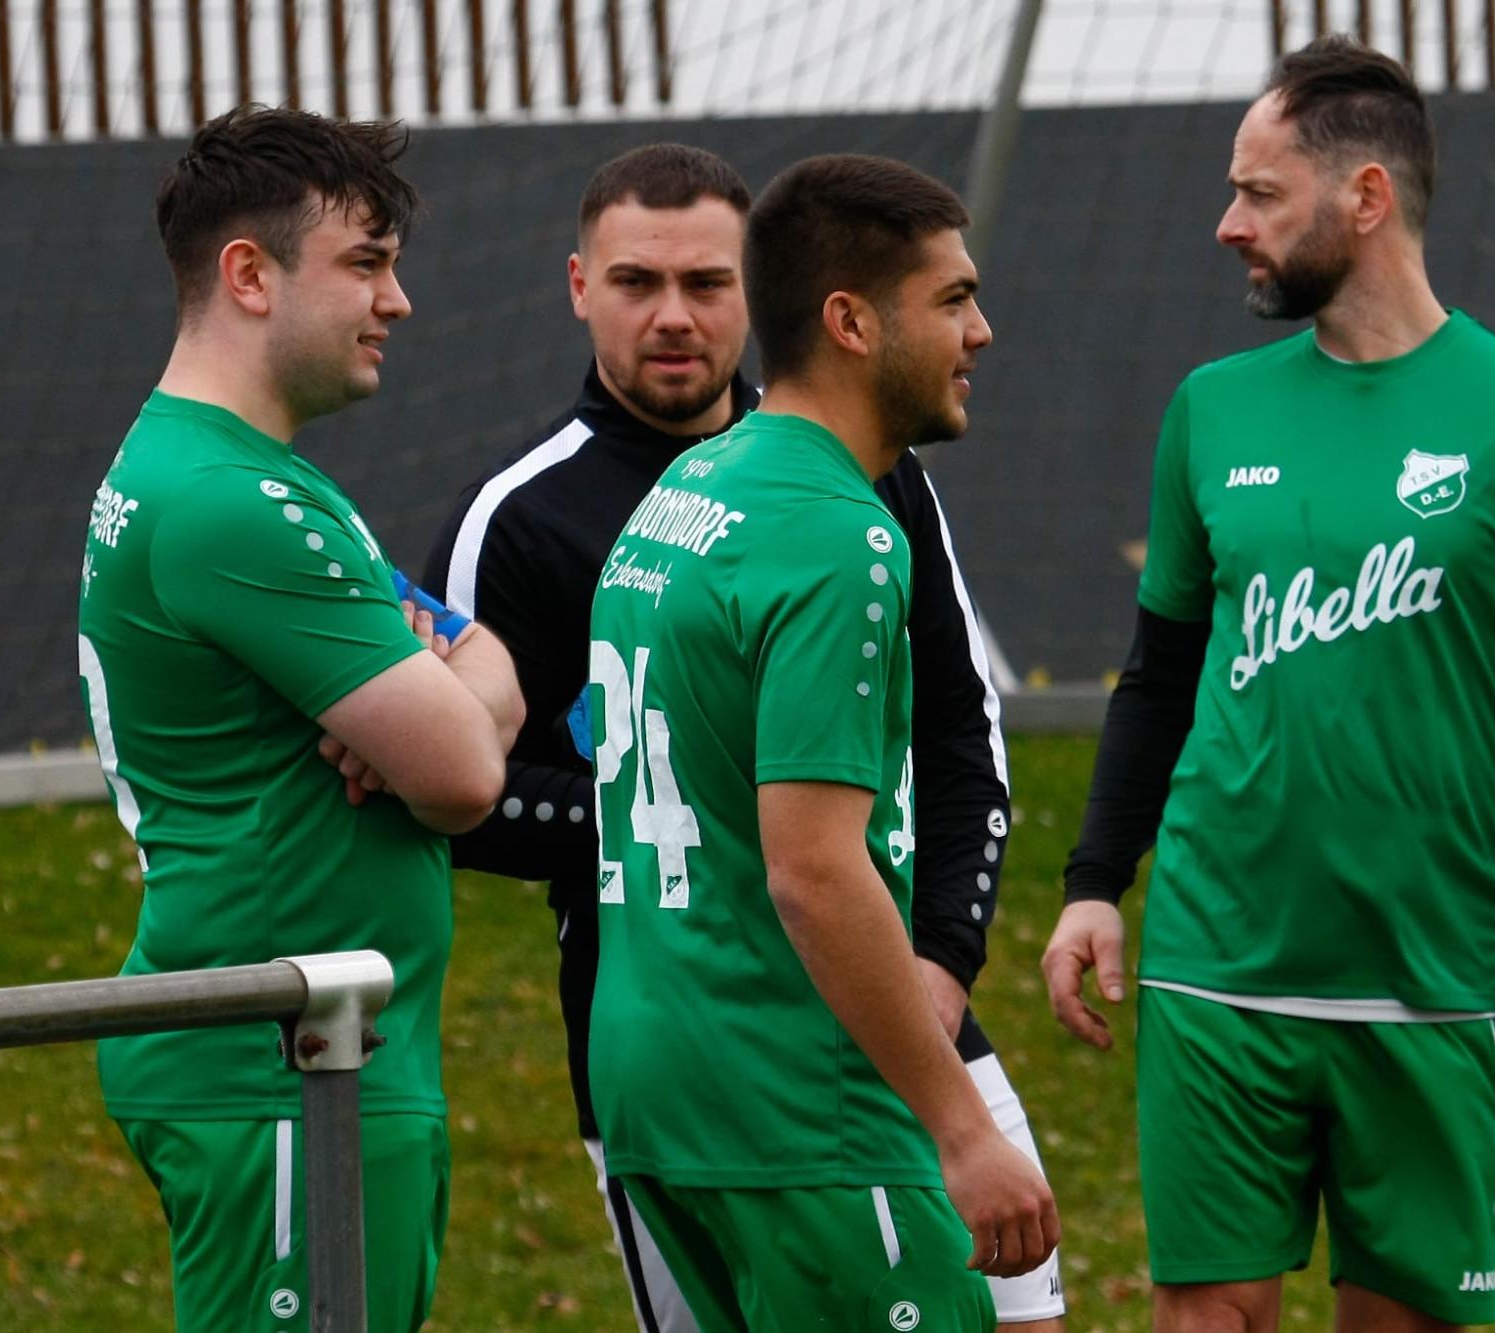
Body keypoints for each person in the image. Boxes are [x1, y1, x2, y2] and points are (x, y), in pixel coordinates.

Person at [1041, 37, 1495, 1333]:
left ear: (1365, 198)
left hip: (1420, 977)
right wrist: (1097, 882)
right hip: (1218, 966)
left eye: (1261, 193)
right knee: (1211, 1318)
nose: (1228, 225)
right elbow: (1160, 675)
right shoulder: (1212, 408)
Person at [419, 143, 1065, 1330]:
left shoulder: (683, 497)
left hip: (676, 1063)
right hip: (799, 1072)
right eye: (954, 300)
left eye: (705, 283)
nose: (980, 333)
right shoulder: (827, 531)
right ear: (851, 322)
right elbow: (812, 868)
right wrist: (960, 1128)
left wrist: (945, 957)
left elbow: (955, 745)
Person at [76, 105, 523, 1331]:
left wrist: (450, 697)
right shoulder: (236, 503)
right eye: (366, 265)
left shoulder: (245, 474)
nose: (401, 301)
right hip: (279, 1068)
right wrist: (444, 712)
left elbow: (490, 665)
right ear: (248, 275)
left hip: (310, 1055)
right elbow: (464, 775)